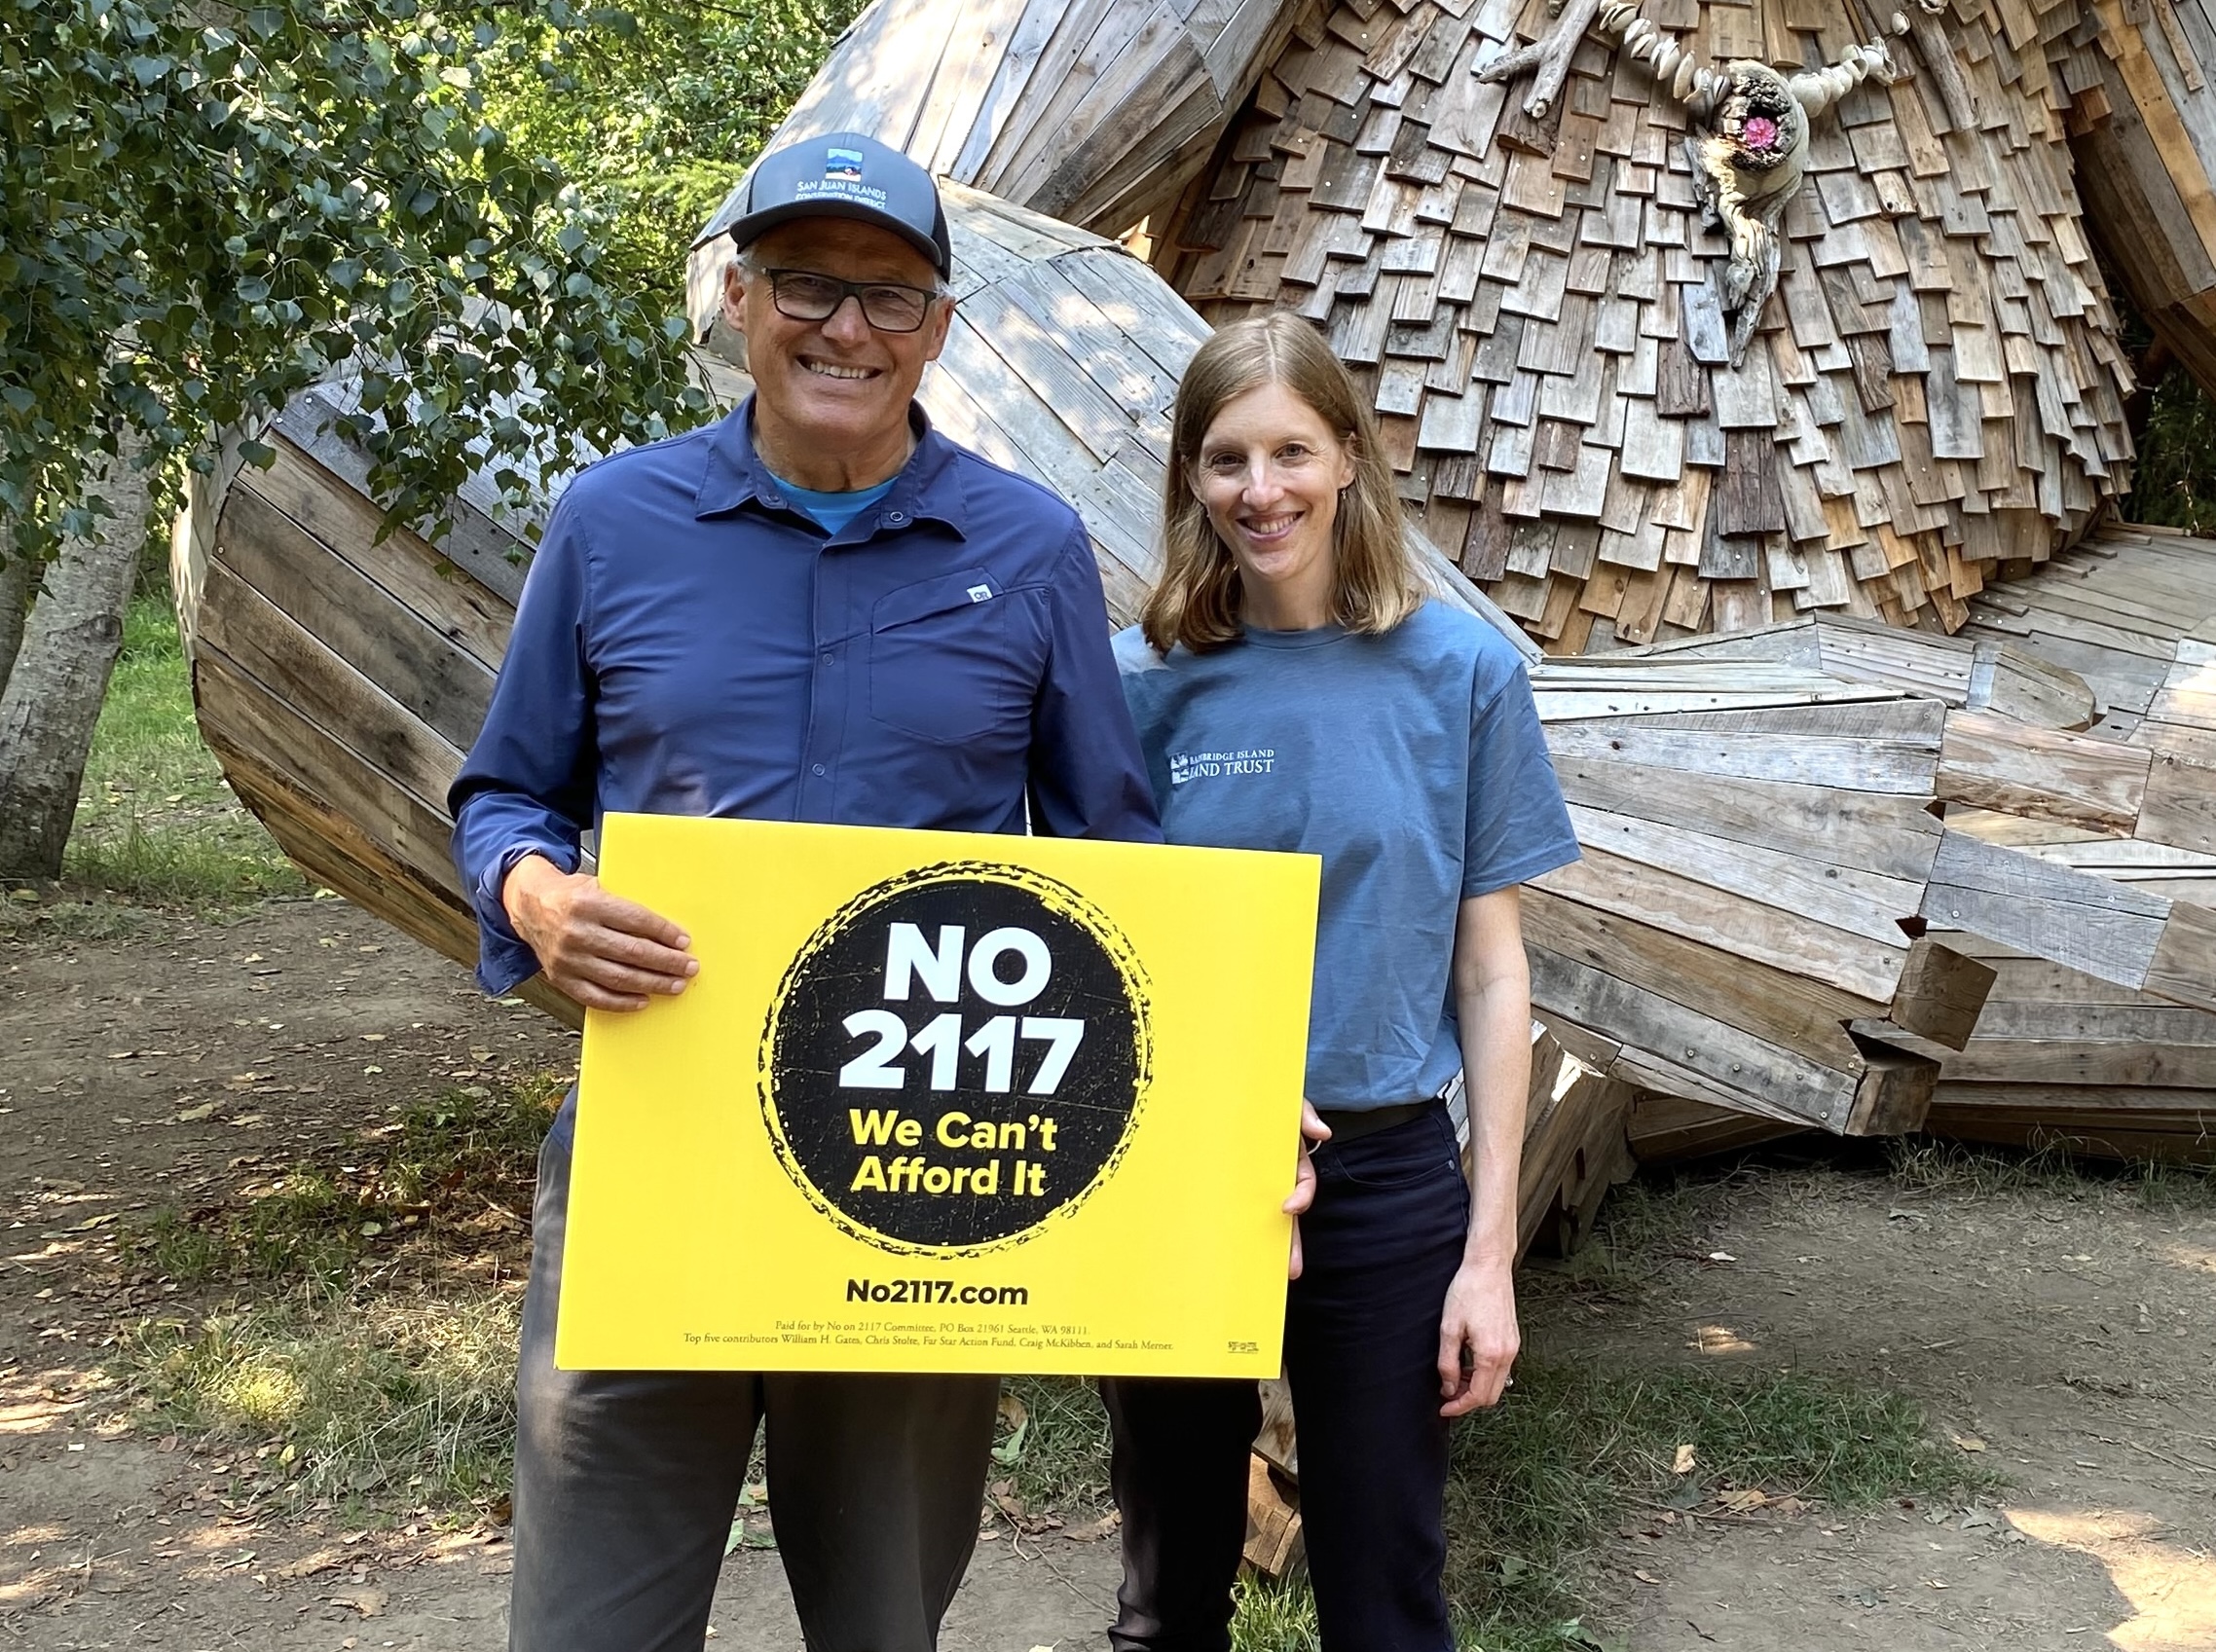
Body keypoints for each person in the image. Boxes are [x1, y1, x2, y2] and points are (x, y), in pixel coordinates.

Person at [448, 129, 1158, 1652]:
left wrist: (1204, 1101)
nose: (847, 327)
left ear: (941, 328)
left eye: (891, 296)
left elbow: (1114, 859)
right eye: (807, 285)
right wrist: (533, 894)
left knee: (885, 1620)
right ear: (738, 296)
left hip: (923, 1174)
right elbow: (508, 787)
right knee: (589, 1625)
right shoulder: (612, 520)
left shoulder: (1028, 548)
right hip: (658, 1152)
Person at [1101, 312, 1579, 1651]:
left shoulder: (1465, 674)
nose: (1263, 492)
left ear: (1351, 458)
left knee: (1384, 1598)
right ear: (1191, 478)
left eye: (1292, 452)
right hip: (1181, 1170)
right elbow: (1098, 951)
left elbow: (1492, 974)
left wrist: (1490, 1255)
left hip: (1383, 1184)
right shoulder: (1137, 684)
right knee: (1167, 1590)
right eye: (1227, 459)